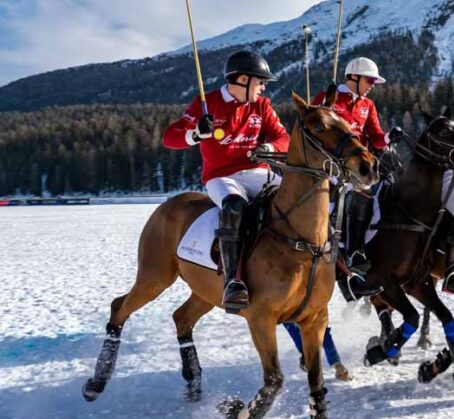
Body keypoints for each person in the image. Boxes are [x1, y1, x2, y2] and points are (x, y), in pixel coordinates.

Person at [163, 50, 289, 313]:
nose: (263, 87)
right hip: (222, 178)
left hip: (260, 174)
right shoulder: (206, 103)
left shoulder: (262, 105)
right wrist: (196, 134)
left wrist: (267, 146)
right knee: (234, 207)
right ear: (242, 79)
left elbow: (283, 138)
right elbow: (169, 137)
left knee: (299, 200)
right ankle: (234, 281)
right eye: (260, 81)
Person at [312, 57, 402, 300]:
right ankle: (353, 255)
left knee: (377, 197)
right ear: (354, 77)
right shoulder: (328, 97)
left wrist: (388, 138)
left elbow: (375, 137)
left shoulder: (367, 105)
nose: (372, 85)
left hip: (357, 168)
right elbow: (311, 125)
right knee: (356, 197)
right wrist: (322, 104)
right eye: (370, 80)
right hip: (329, 164)